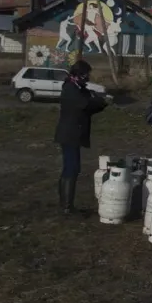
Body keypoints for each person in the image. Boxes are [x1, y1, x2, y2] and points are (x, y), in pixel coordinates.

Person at [54, 59, 109, 215]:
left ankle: (65, 203)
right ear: (80, 74)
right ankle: (66, 206)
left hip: (72, 134)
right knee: (71, 168)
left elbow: (89, 107)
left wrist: (100, 102)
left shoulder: (76, 87)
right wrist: (100, 101)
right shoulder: (71, 89)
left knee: (70, 168)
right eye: (86, 74)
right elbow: (85, 105)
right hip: (70, 134)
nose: (88, 77)